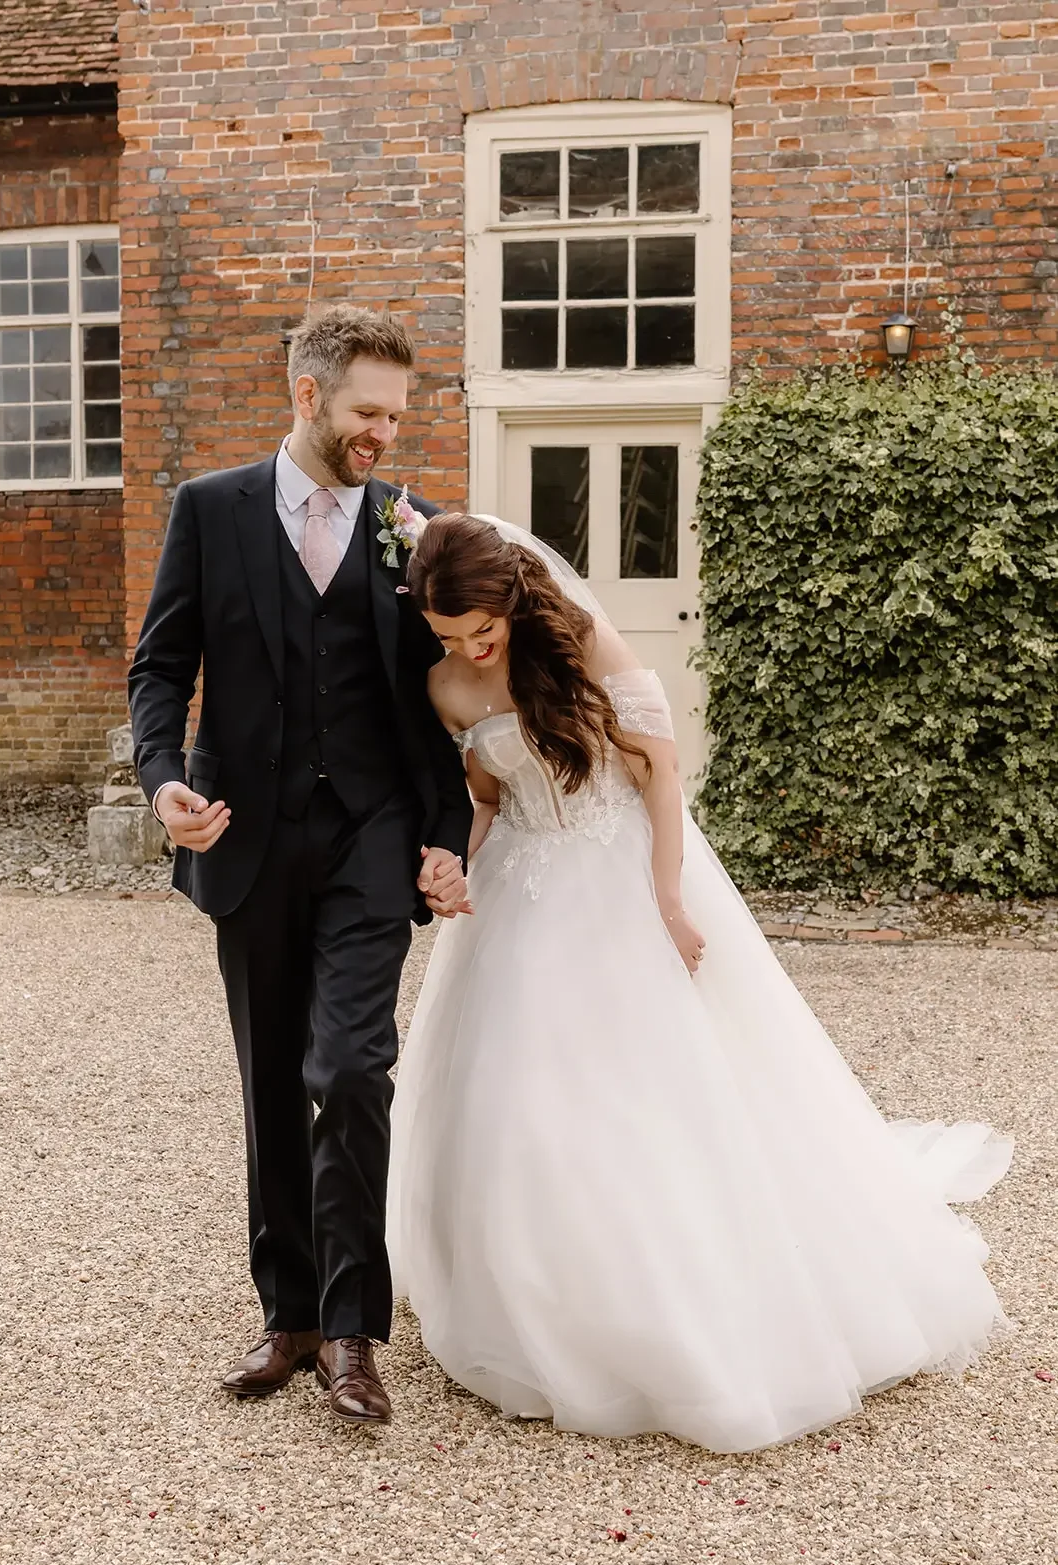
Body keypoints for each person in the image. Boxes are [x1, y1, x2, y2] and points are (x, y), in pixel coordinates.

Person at [386, 511, 1013, 1453]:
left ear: (514, 596)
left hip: (621, 874)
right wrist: (451, 865)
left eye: (483, 627)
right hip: (519, 892)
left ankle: (683, 1303)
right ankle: (534, 1303)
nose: (471, 647)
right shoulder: (442, 685)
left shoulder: (578, 642)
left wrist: (668, 901)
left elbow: (659, 773)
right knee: (520, 1102)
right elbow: (481, 800)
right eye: (450, 636)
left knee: (663, 1090)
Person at [128, 304, 473, 1425]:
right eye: (368, 412)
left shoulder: (404, 527)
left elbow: (429, 705)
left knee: (350, 1067)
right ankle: (285, 1316)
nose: (383, 433)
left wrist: (442, 832)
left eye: (395, 415)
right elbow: (160, 660)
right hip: (247, 837)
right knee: (273, 1074)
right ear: (307, 395)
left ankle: (352, 1332)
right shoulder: (209, 510)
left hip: (369, 838)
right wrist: (159, 777)